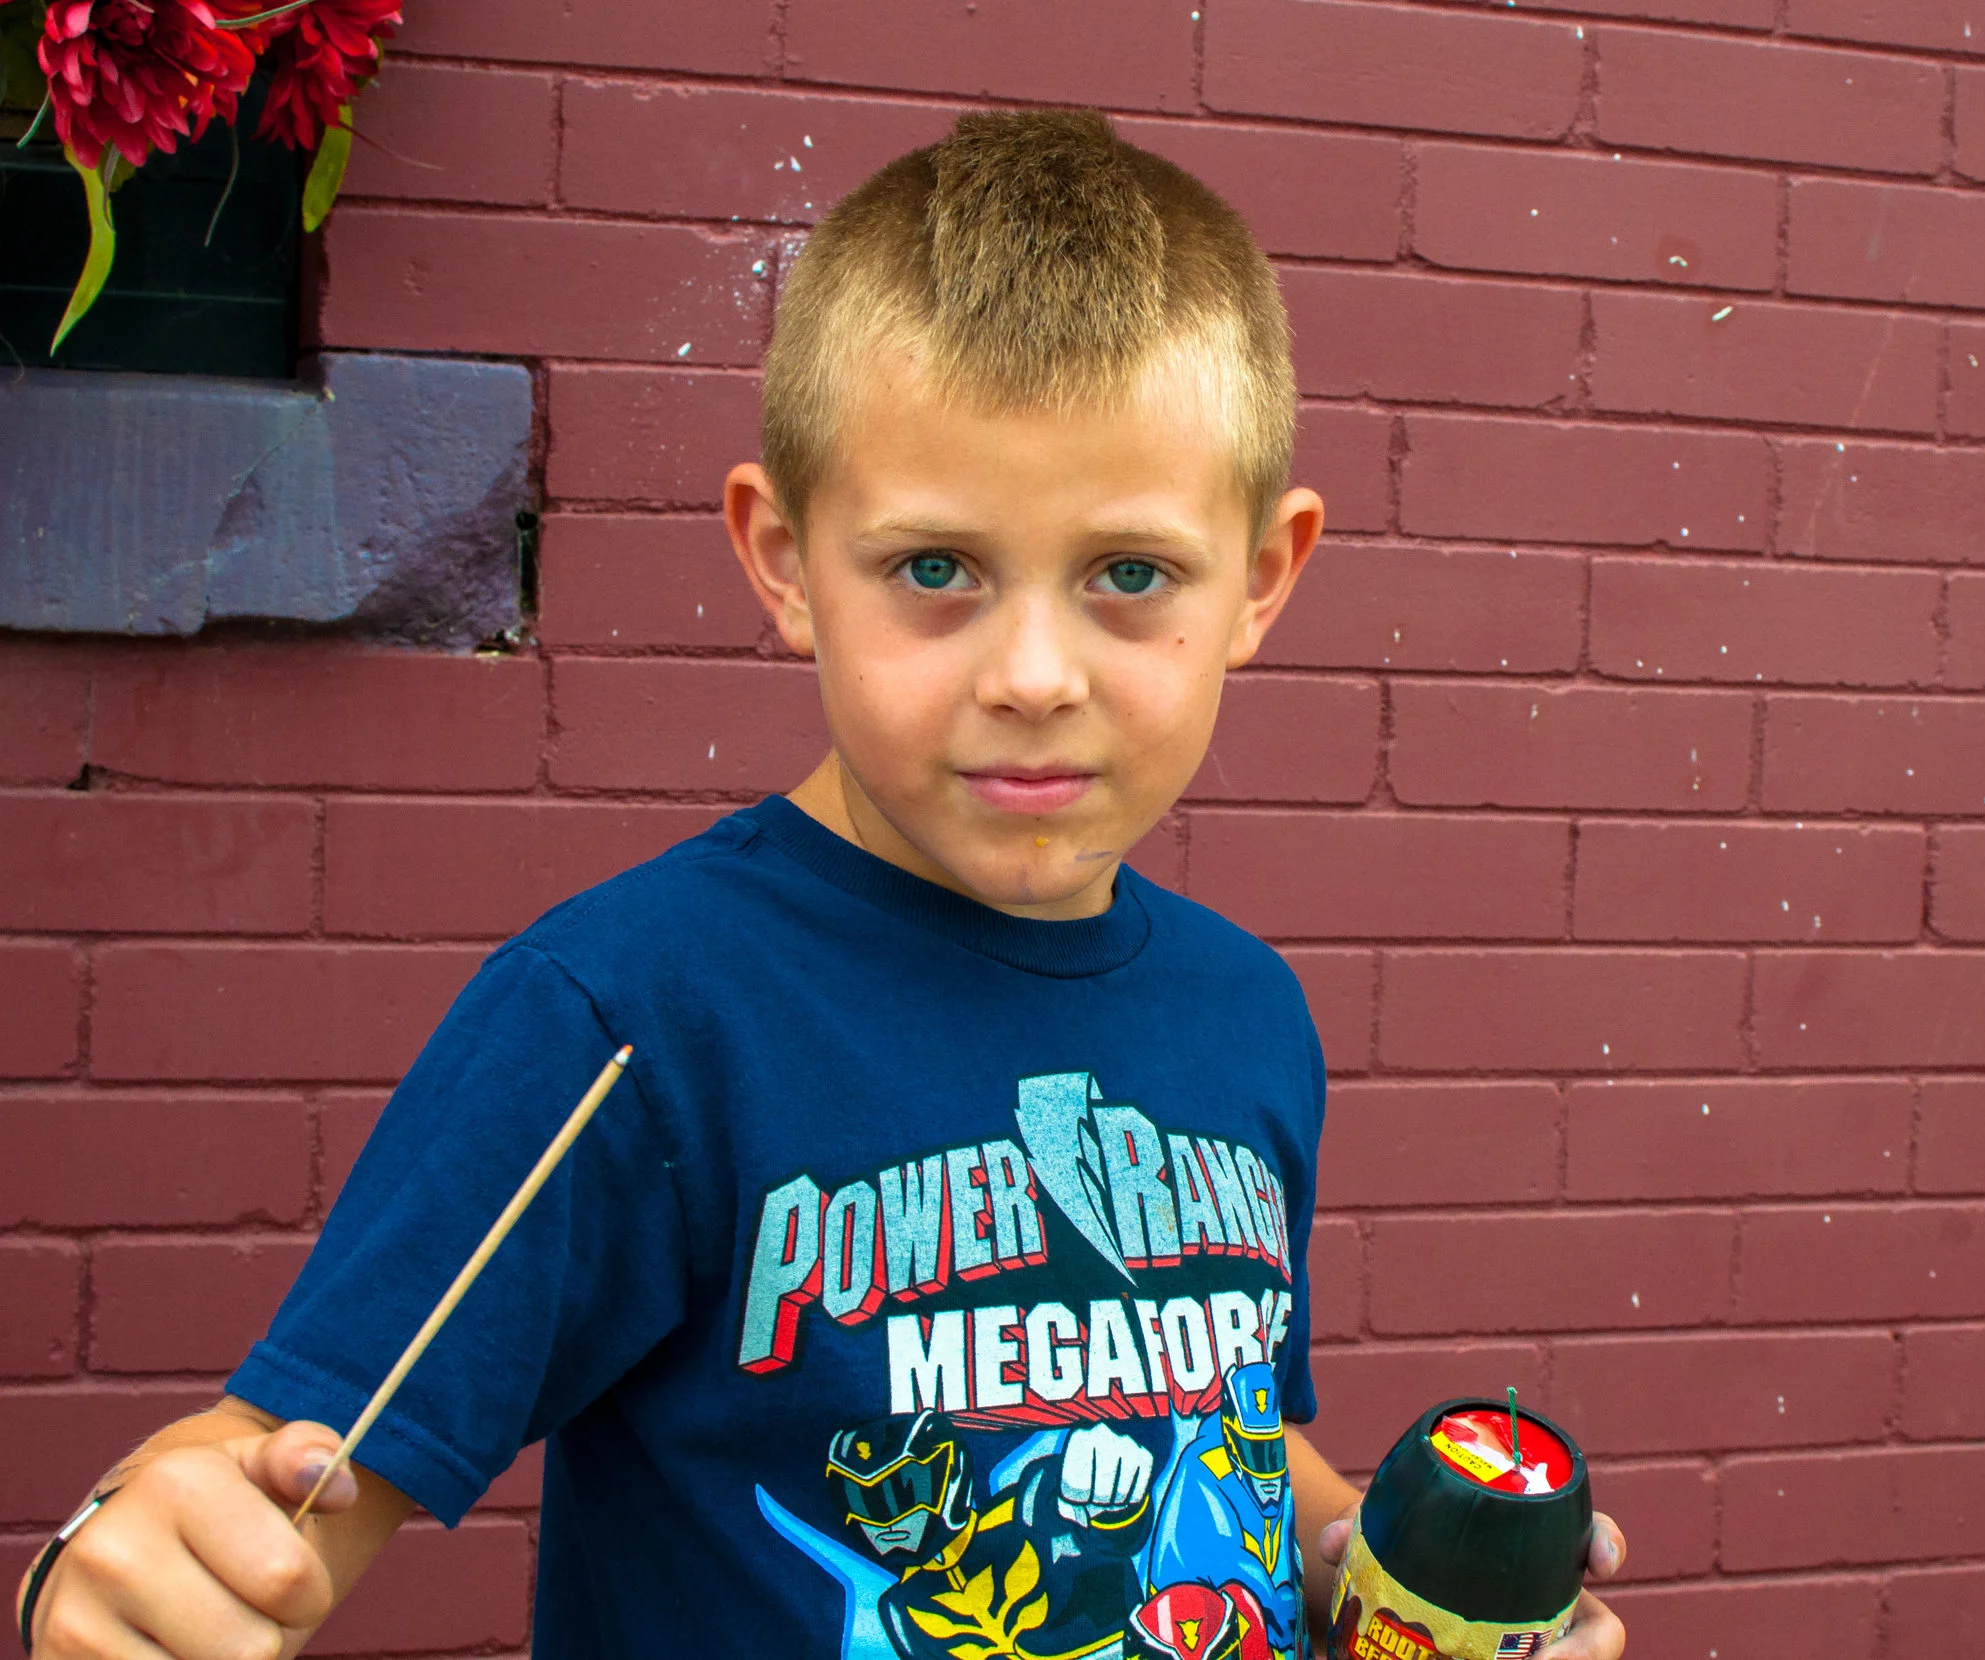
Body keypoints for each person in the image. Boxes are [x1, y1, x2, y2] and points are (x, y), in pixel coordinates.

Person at [14, 109, 1629, 1660]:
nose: (1034, 675)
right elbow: (277, 1483)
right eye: (936, 568)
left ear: (1263, 578)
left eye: (1130, 574)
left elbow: (1232, 1434)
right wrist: (120, 1567)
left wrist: (1375, 1568)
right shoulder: (630, 1017)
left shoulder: (1247, 1014)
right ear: (784, 561)